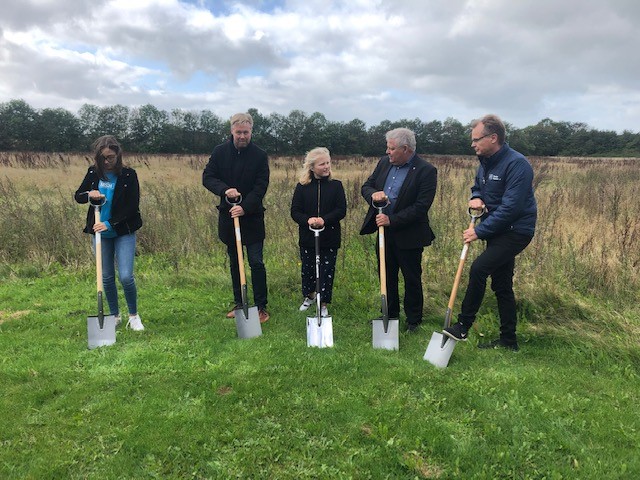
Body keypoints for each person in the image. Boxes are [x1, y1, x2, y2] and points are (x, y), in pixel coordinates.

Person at [443, 114, 537, 351]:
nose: (472, 144)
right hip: (497, 230)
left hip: (516, 231)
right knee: (502, 284)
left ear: (493, 138)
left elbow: (511, 208)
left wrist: (479, 231)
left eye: (477, 139)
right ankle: (508, 341)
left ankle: (463, 326)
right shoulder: (485, 162)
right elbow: (478, 187)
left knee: (479, 268)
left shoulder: (517, 164)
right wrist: (476, 197)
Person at [360, 127, 437, 332]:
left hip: (409, 234)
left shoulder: (426, 171)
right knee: (386, 275)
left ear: (405, 149)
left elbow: (421, 206)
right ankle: (390, 314)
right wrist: (374, 194)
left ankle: (413, 320)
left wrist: (392, 220)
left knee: (411, 277)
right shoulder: (384, 163)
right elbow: (366, 186)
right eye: (388, 147)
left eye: (392, 148)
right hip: (384, 232)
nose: (388, 152)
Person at [203, 112, 270, 323]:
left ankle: (260, 306)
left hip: (252, 217)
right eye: (239, 132)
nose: (242, 136)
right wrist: (225, 190)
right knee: (235, 261)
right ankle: (240, 303)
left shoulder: (260, 155)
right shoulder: (220, 152)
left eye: (246, 132)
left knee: (256, 261)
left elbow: (261, 186)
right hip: (228, 216)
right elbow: (208, 177)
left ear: (251, 131)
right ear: (231, 131)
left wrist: (245, 207)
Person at [74, 135, 145, 331]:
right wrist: (89, 194)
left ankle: (134, 315)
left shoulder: (129, 175)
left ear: (118, 155)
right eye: (103, 158)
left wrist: (110, 223)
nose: (107, 162)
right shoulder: (93, 172)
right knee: (106, 277)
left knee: (125, 276)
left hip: (123, 231)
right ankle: (114, 315)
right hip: (99, 234)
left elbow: (132, 206)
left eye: (110, 157)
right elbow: (78, 196)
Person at [290, 147, 347, 318]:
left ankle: (323, 302)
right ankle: (309, 296)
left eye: (328, 163)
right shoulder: (302, 187)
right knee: (308, 269)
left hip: (329, 237)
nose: (326, 166)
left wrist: (325, 219)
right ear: (312, 167)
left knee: (326, 270)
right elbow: (295, 211)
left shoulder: (336, 186)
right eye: (322, 164)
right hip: (308, 237)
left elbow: (341, 210)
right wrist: (307, 220)